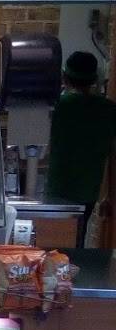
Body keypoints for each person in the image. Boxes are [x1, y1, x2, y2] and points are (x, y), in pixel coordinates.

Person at [46, 50, 116, 246]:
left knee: (52, 240)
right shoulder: (109, 109)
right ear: (94, 79)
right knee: (77, 239)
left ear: (64, 76)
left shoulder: (59, 105)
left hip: (58, 188)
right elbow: (113, 154)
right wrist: (110, 195)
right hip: (88, 191)